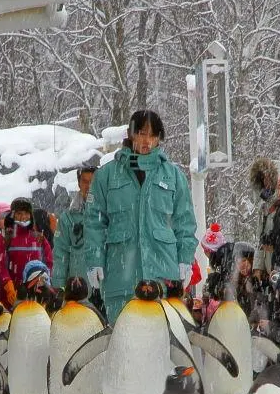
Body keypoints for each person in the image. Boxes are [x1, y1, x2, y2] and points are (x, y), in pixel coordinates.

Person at [84, 110, 197, 323]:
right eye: (142, 133)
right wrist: (94, 260)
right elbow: (94, 222)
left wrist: (185, 259)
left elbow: (185, 223)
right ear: (130, 133)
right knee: (122, 344)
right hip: (121, 278)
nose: (147, 141)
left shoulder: (173, 176)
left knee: (163, 346)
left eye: (153, 135)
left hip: (163, 278)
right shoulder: (106, 175)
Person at [0, 196, 53, 308]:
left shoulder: (39, 238)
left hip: (35, 295)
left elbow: (48, 263)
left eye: (26, 213)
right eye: (19, 213)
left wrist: (43, 281)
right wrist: (7, 283)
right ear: (12, 215)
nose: (23, 217)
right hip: (9, 297)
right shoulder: (4, 238)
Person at [52, 166, 95, 290]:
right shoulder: (67, 218)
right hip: (78, 290)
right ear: (79, 184)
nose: (89, 186)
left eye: (93, 182)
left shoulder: (111, 214)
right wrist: (59, 288)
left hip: (108, 289)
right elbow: (60, 256)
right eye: (85, 182)